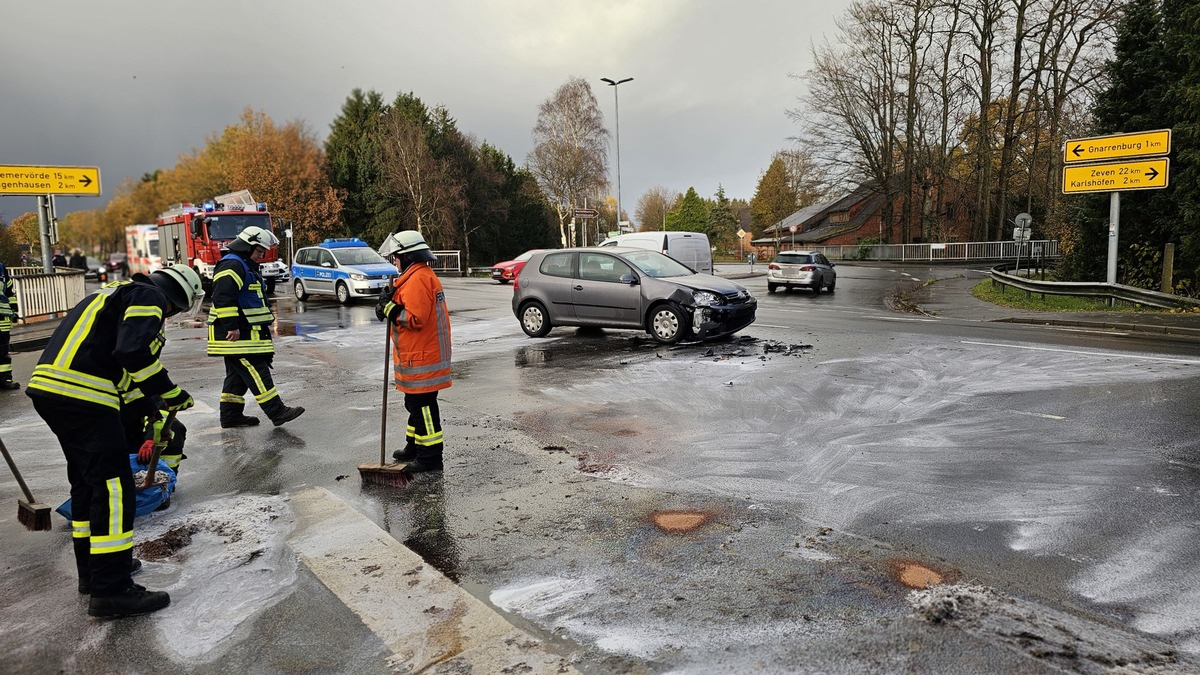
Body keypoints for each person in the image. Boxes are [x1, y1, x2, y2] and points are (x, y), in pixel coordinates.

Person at [25, 264, 203, 618]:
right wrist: (170, 392)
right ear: (175, 299)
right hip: (84, 397)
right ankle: (113, 590)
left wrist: (150, 408)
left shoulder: (109, 293)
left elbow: (119, 372)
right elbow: (133, 353)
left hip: (52, 392)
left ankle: (95, 574)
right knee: (115, 488)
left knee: (87, 486)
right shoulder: (149, 296)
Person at [207, 226, 304, 428]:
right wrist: (231, 326)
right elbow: (222, 297)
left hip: (243, 334)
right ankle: (277, 412)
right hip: (236, 335)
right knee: (257, 371)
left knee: (237, 378)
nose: (260, 257)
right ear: (247, 246)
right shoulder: (233, 265)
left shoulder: (242, 265)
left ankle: (230, 416)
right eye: (259, 252)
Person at [375, 231, 452, 473]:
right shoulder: (415, 276)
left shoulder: (418, 279)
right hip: (419, 355)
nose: (394, 261)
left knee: (424, 408)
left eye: (396, 257)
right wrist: (390, 303)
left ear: (407, 256)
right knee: (414, 404)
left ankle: (430, 458)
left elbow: (414, 318)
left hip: (422, 358)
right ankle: (414, 446)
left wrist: (389, 308)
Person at [0, 262, 18, 390]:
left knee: (2, 351)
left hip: (3, 317)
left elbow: (9, 292)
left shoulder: (1, 268)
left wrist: (15, 311)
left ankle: (5, 378)